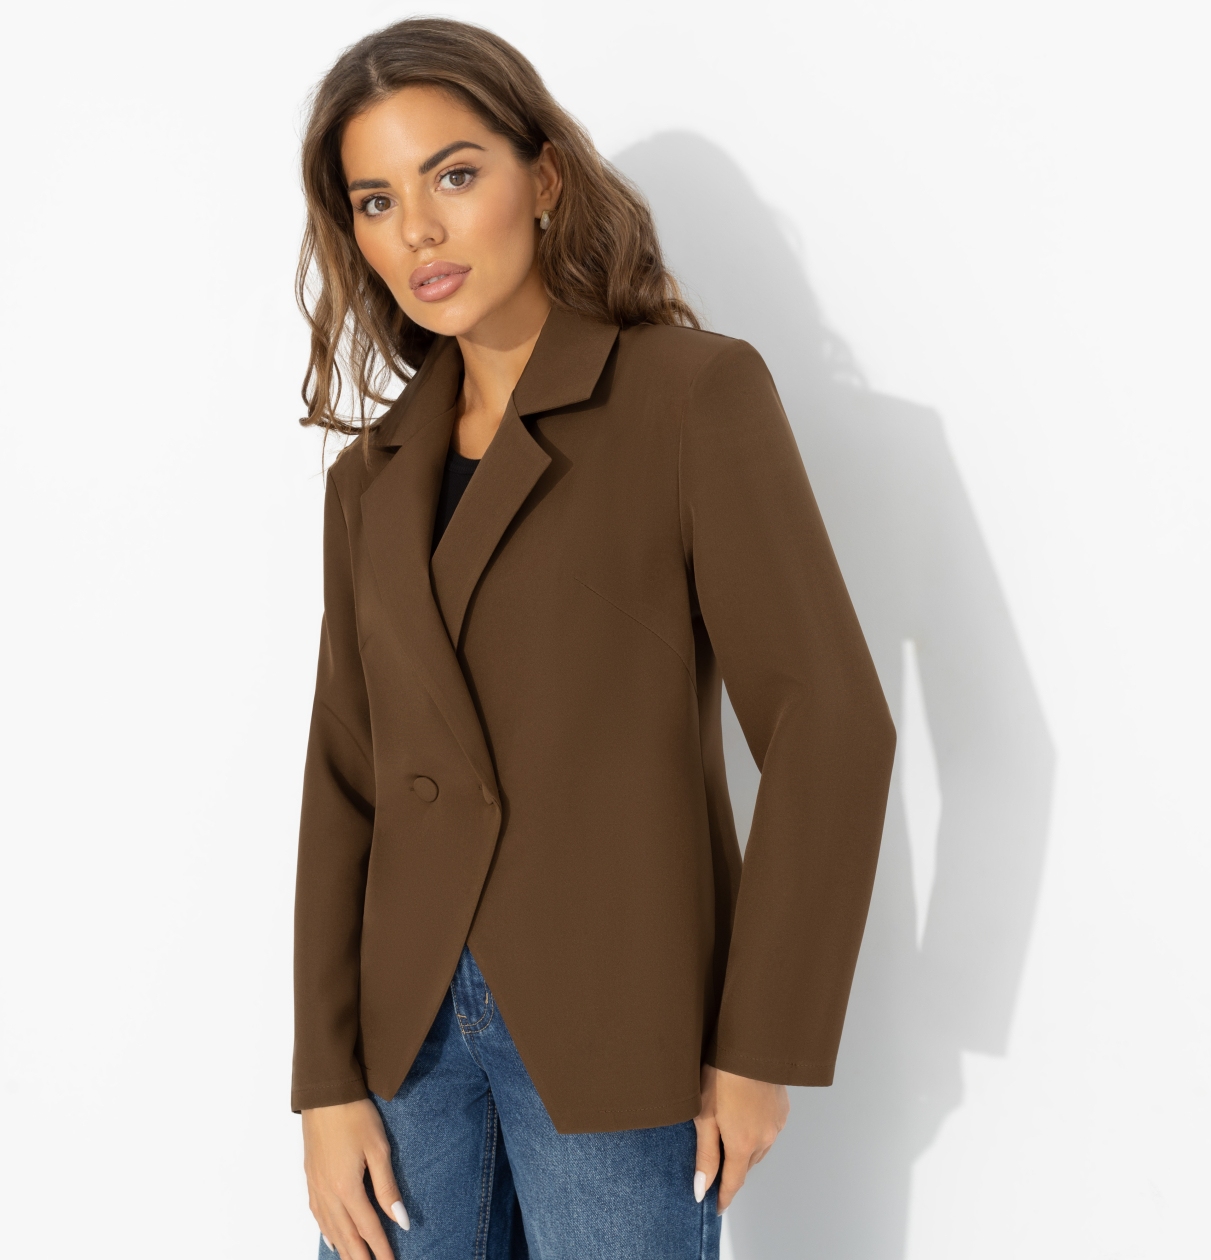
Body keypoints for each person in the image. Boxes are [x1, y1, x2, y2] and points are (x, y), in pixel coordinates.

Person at [291, 17, 896, 1260]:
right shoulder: (372, 477)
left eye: (455, 174)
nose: (418, 231)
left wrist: (759, 1048)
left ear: (544, 178)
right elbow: (345, 777)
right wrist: (324, 1084)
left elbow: (829, 723)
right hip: (402, 1050)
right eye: (376, 200)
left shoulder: (686, 395)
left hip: (618, 1028)